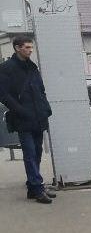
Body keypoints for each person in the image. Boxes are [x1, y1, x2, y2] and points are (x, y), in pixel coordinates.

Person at [0, 35, 55, 204]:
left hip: (39, 116)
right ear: (17, 48)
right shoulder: (6, 68)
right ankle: (38, 188)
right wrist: (20, 110)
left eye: (31, 48)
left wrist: (46, 107)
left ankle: (32, 188)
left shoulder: (32, 66)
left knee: (37, 153)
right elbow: (3, 94)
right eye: (27, 47)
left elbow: (40, 88)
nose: (30, 50)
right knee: (30, 153)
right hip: (23, 118)